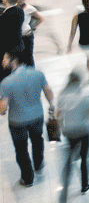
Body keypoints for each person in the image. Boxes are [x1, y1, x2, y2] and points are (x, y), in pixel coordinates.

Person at [0, 49, 54, 187]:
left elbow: (3, 106)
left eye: (5, 58)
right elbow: (48, 90)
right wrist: (52, 105)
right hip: (37, 116)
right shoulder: (38, 74)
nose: (2, 61)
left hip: (17, 122)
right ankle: (39, 164)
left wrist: (2, 111)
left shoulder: (7, 82)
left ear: (14, 60)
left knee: (21, 149)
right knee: (37, 140)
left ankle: (28, 178)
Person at [56, 71, 89, 203]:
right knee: (86, 157)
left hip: (69, 132)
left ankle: (66, 181)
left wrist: (62, 128)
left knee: (71, 155)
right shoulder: (83, 97)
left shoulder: (62, 96)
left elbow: (58, 115)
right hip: (84, 131)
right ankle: (85, 185)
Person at [15, 0, 42, 65]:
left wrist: (32, 28)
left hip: (27, 36)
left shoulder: (29, 8)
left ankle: (31, 72)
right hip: (16, 36)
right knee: (19, 57)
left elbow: (41, 18)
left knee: (28, 56)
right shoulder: (13, 8)